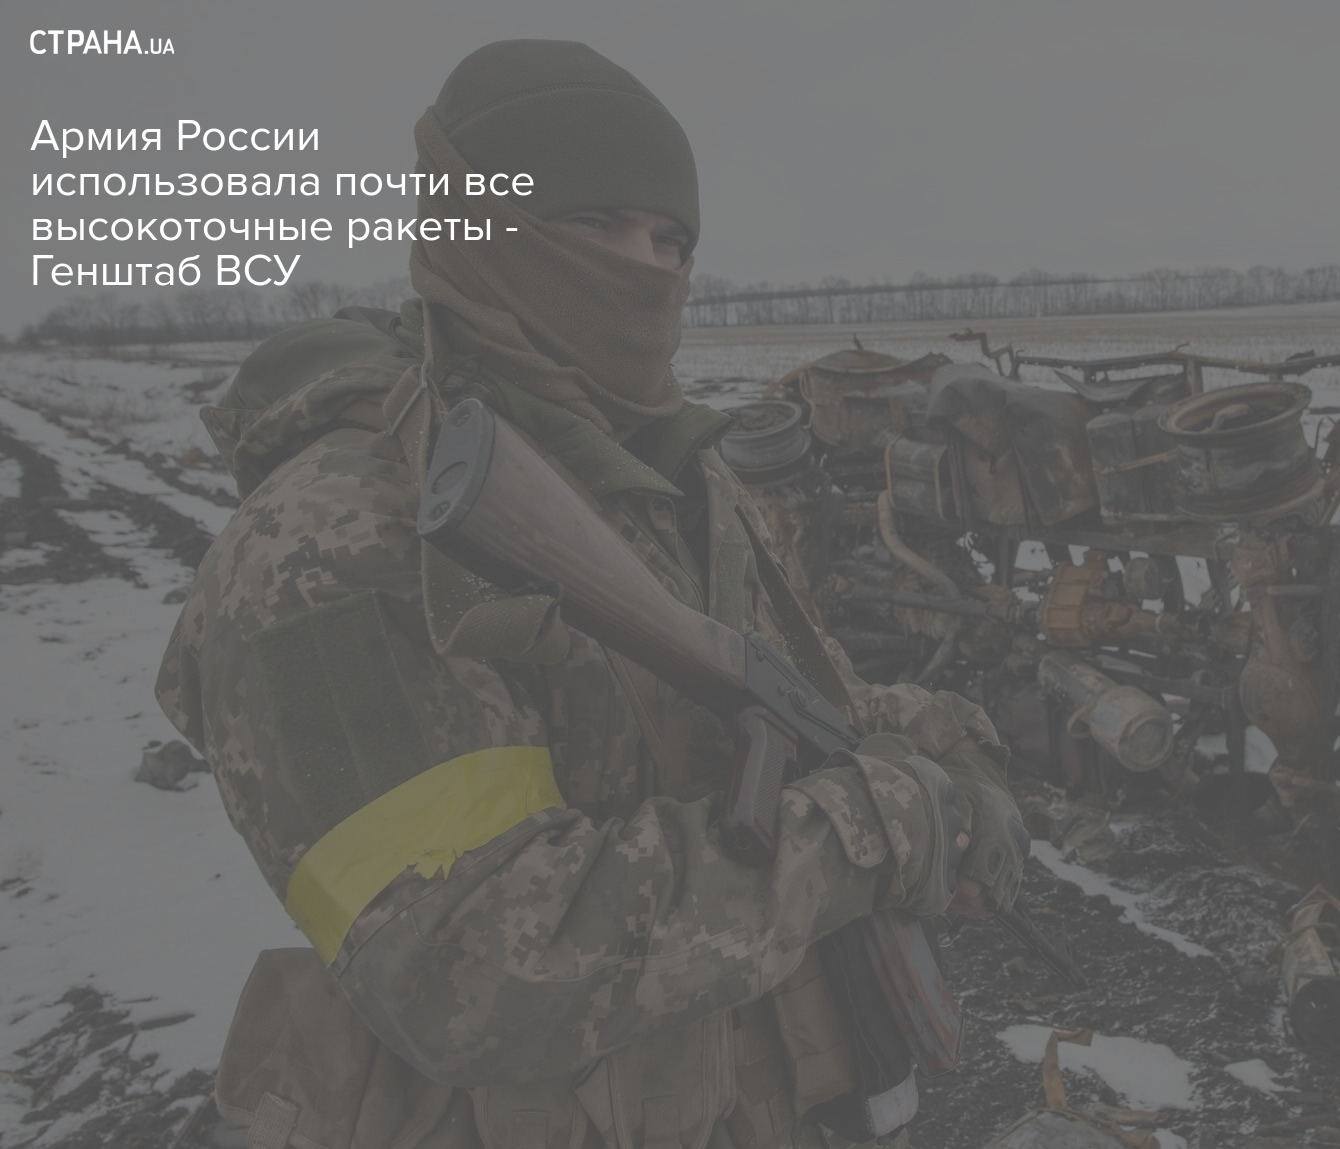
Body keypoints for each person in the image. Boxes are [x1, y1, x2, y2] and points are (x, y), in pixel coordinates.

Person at [157, 39, 1025, 1149]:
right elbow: (477, 965)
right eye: (596, 224)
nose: (644, 268)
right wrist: (877, 828)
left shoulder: (672, 477)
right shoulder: (333, 531)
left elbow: (813, 698)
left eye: (671, 241)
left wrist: (953, 758)